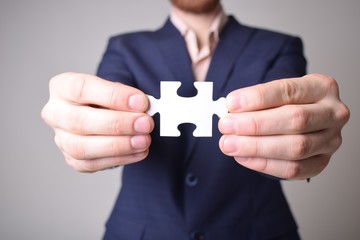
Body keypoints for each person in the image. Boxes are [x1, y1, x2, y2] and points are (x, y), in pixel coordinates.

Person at [41, 0, 350, 239]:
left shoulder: (278, 46)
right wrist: (83, 132)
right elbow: (102, 118)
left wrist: (305, 143)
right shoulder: (124, 48)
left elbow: (289, 131)